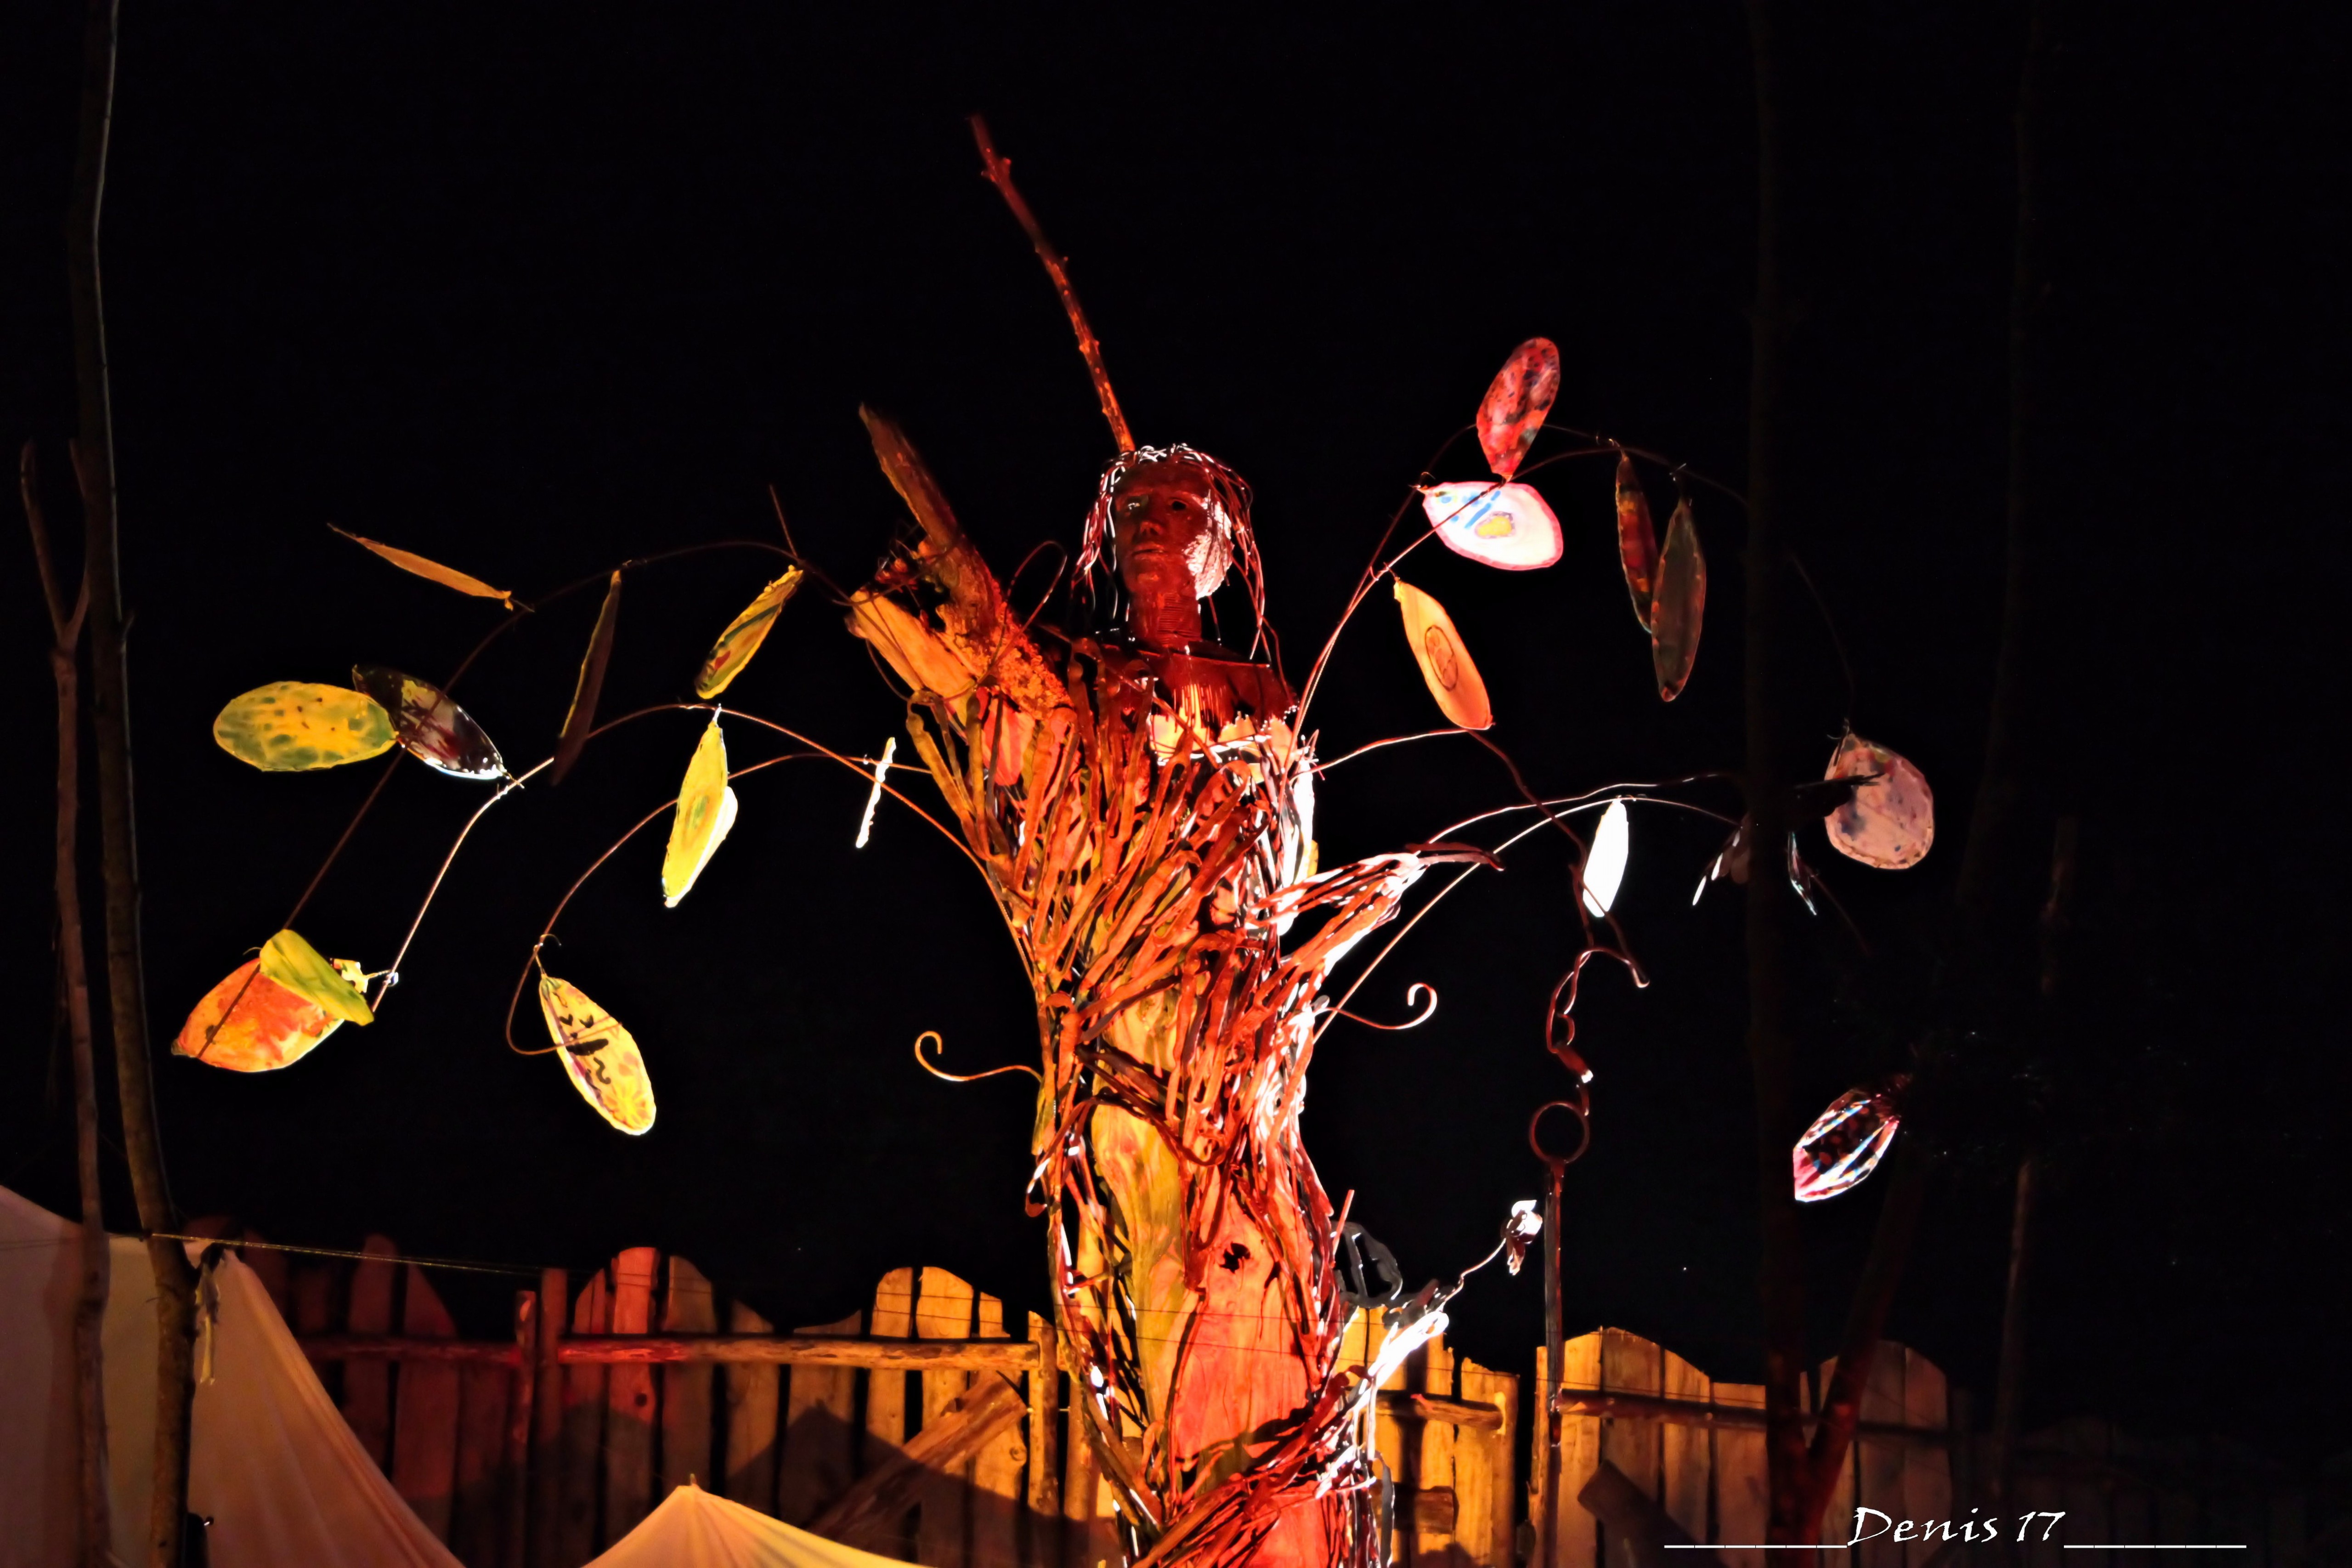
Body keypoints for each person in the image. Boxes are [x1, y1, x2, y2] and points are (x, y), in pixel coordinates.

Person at [850, 416, 1426, 1568]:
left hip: (1240, 1086)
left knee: (1252, 1298)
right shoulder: (1080, 688)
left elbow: (1278, 870)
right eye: (1133, 516)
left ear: (1224, 553)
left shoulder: (1262, 696)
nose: (1155, 534)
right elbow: (1032, 777)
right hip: (1129, 1064)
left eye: (1182, 515)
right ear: (1105, 545)